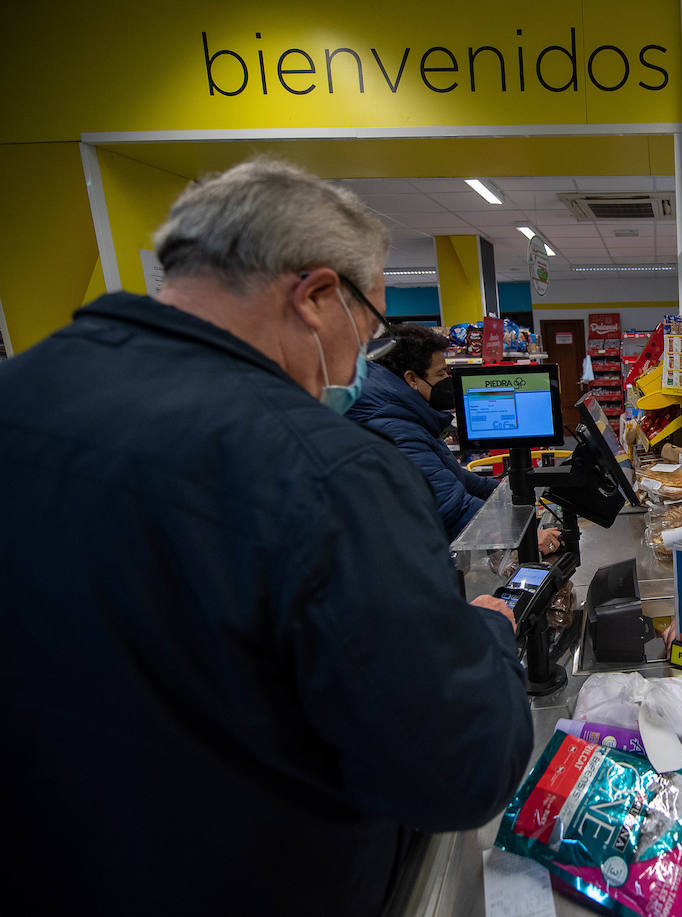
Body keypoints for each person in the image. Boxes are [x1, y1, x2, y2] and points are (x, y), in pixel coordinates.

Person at [0, 159, 533, 917]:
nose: (364, 362)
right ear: (317, 297)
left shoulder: (18, 397)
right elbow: (457, 771)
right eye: (371, 327)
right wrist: (487, 632)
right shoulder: (326, 469)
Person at [348, 323, 563, 554]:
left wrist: (505, 491)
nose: (447, 379)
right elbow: (454, 509)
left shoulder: (405, 414)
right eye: (440, 373)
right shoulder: (393, 428)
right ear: (412, 379)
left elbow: (453, 475)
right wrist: (530, 535)